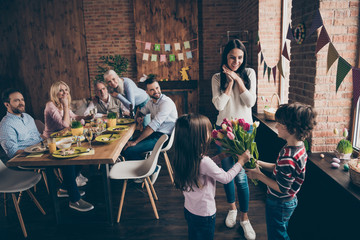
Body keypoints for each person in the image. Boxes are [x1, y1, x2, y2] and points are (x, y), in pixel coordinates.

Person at [173, 113, 251, 240]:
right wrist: (241, 162)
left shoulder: (184, 157)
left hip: (189, 209)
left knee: (193, 236)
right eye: (207, 131)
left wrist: (220, 157)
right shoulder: (204, 161)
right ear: (198, 137)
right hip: (205, 214)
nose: (210, 134)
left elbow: (201, 168)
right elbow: (226, 178)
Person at [245, 103, 317, 240]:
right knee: (280, 230)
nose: (276, 126)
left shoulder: (289, 156)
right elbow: (278, 168)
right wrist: (259, 163)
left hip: (279, 203)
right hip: (288, 201)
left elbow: (282, 188)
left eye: (280, 124)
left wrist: (258, 175)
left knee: (277, 235)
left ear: (292, 129)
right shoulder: (297, 147)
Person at [211, 39, 257, 239]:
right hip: (222, 130)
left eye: (239, 57)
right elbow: (219, 106)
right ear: (225, 56)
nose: (236, 61)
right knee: (227, 172)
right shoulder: (216, 78)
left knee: (241, 177)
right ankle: (232, 209)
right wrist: (229, 82)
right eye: (232, 57)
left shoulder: (249, 74)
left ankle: (245, 219)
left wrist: (238, 79)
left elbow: (250, 102)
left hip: (244, 131)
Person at [43, 81, 94, 212]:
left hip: (64, 141)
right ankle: (74, 200)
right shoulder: (50, 106)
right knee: (69, 161)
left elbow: (74, 116)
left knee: (80, 155)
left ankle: (64, 188)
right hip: (52, 143)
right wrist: (66, 106)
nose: (65, 93)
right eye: (61, 90)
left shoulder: (62, 105)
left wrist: (85, 117)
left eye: (66, 90)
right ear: (55, 92)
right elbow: (65, 124)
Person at [122, 76, 178, 184]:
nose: (156, 91)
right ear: (147, 92)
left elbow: (152, 126)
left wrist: (135, 142)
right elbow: (141, 111)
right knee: (125, 147)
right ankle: (147, 168)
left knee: (129, 149)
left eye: (157, 88)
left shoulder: (166, 103)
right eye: (152, 89)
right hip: (155, 134)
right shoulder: (151, 102)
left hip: (164, 137)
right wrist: (139, 117)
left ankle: (152, 169)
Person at [0, 88, 44, 162]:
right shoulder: (6, 125)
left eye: (22, 99)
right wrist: (36, 151)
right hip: (26, 158)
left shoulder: (28, 117)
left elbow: (38, 137)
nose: (21, 103)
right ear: (7, 104)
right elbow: (13, 152)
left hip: (41, 149)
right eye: (16, 100)